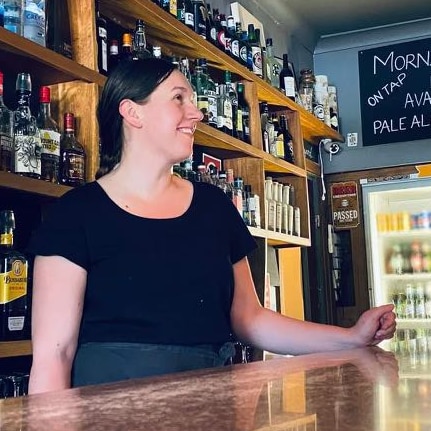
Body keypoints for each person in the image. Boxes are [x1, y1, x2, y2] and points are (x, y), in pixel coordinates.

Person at [27, 58, 396, 394]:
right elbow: (54, 356)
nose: (196, 113)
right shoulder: (75, 214)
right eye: (179, 98)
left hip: (210, 403)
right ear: (132, 113)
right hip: (109, 413)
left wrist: (351, 336)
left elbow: (251, 320)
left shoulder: (214, 208)